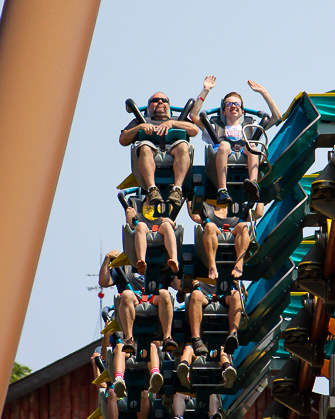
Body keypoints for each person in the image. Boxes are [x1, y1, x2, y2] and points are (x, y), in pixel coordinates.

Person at [190, 76, 281, 205]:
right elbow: (193, 115)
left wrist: (263, 92)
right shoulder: (215, 129)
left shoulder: (250, 129)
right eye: (229, 104)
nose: (233, 106)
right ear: (223, 111)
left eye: (237, 104)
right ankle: (222, 190)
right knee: (224, 145)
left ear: (242, 111)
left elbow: (277, 117)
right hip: (219, 160)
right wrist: (205, 90)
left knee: (252, 147)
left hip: (246, 158)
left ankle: (253, 184)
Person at [119, 91, 198, 208]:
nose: (160, 102)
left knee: (183, 146)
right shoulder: (140, 121)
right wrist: (140, 127)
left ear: (168, 106)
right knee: (145, 147)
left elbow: (194, 130)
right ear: (149, 106)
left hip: (174, 151)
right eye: (155, 101)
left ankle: (177, 189)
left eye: (164, 100)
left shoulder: (178, 120)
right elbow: (123, 140)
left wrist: (172, 123)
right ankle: (152, 190)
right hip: (150, 153)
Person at [98, 249, 177, 354]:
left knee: (165, 294)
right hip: (132, 300)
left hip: (155, 300)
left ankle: (167, 337)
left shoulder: (160, 261)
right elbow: (103, 282)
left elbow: (179, 286)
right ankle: (129, 339)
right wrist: (107, 260)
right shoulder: (124, 263)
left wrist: (176, 267)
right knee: (126, 294)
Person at [186, 201, 263, 281]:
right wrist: (189, 197)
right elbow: (195, 216)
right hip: (214, 234)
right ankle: (212, 264)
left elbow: (258, 214)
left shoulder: (238, 207)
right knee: (210, 226)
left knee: (243, 226)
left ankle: (239, 262)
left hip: (235, 233)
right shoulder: (206, 208)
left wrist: (260, 197)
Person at [125, 193, 180, 275]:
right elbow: (130, 228)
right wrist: (129, 217)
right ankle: (141, 262)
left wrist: (172, 223)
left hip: (161, 229)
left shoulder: (166, 206)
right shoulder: (136, 205)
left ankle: (174, 260)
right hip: (143, 230)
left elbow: (175, 228)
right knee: (140, 226)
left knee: (167, 226)